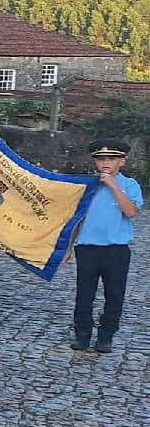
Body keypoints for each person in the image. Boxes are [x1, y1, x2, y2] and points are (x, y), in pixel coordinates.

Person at [72, 139, 139, 353]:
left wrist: (112, 185)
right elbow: (76, 218)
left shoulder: (130, 185)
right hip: (87, 248)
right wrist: (67, 247)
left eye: (112, 159)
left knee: (114, 294)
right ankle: (82, 334)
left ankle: (106, 335)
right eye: (101, 159)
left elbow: (130, 211)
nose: (106, 164)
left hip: (116, 249)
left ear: (122, 162)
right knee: (84, 294)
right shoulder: (88, 186)